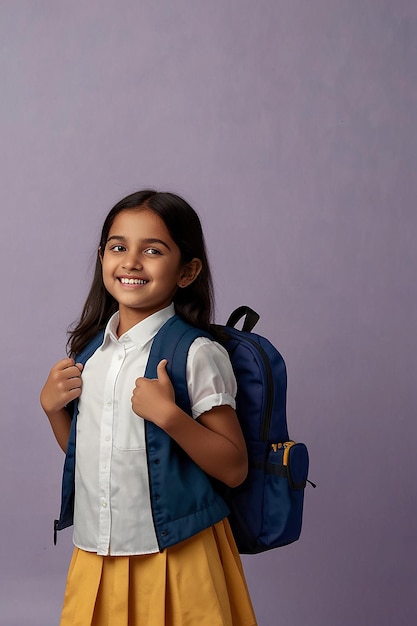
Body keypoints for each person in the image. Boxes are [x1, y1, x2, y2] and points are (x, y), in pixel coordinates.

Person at [40, 190, 257, 626]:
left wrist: (169, 416)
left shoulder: (195, 353)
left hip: (180, 553)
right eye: (118, 247)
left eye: (153, 251)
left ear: (187, 271)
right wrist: (53, 411)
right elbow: (90, 457)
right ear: (102, 257)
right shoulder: (90, 355)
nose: (131, 262)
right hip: (99, 551)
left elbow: (234, 467)